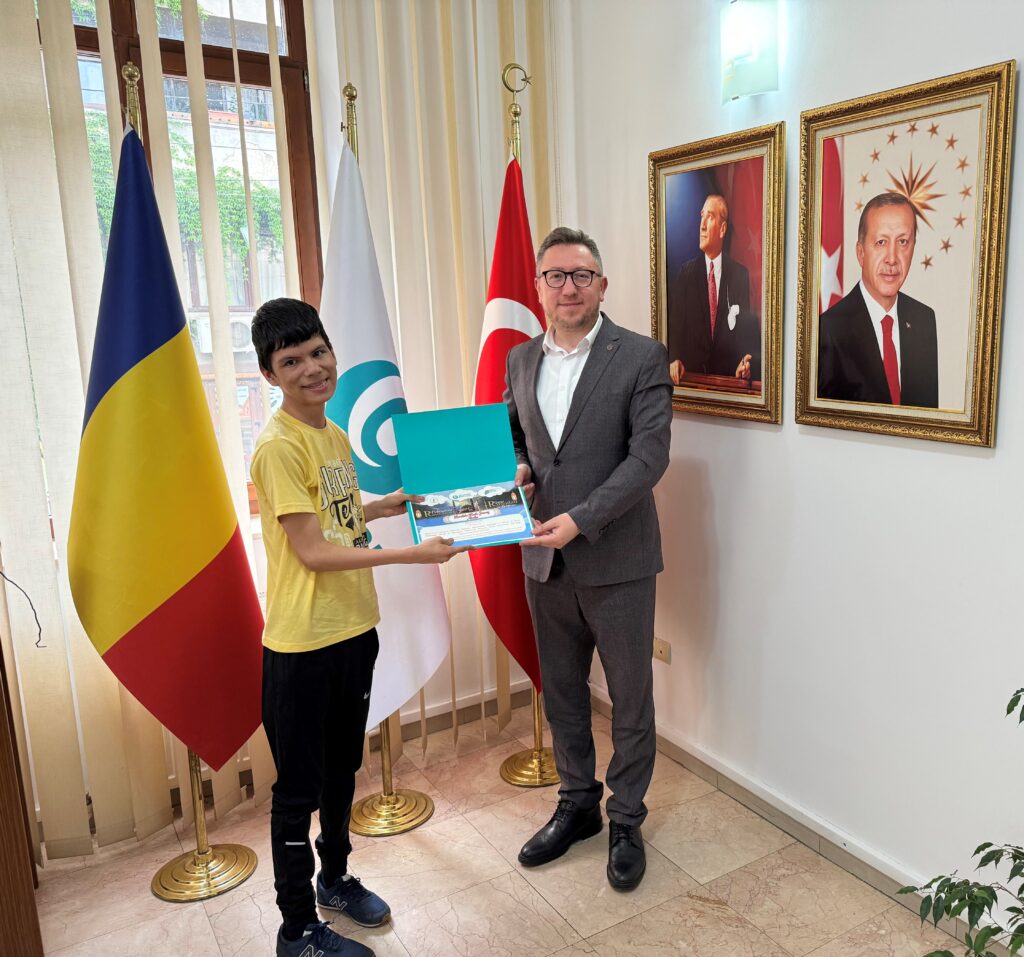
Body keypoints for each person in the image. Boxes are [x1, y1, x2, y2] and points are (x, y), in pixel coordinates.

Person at [250, 298, 465, 957]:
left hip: (352, 631)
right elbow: (313, 551)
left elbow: (334, 516)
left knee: (343, 768)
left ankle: (335, 879)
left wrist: (387, 505)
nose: (312, 368)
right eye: (292, 361)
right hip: (302, 645)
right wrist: (410, 553)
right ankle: (296, 930)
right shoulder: (278, 447)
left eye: (318, 352)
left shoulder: (334, 433)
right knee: (297, 792)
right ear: (270, 374)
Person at [504, 227, 672, 891]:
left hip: (617, 558)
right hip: (543, 563)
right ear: (538, 287)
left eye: (581, 275)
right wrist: (519, 470)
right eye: (556, 275)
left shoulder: (641, 356)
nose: (568, 287)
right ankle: (577, 803)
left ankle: (626, 817)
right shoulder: (520, 359)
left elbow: (648, 458)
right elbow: (517, 436)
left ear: (602, 285)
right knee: (564, 693)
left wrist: (580, 519)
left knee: (630, 698)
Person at [817, 193, 938, 407]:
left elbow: (927, 417)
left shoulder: (923, 319)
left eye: (903, 242)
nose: (892, 258)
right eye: (881, 242)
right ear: (861, 253)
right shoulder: (828, 329)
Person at [667, 193, 759, 384]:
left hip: (727, 385)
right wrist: (673, 359)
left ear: (722, 229)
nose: (702, 225)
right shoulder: (686, 274)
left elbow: (745, 334)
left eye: (709, 217)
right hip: (693, 383)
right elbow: (675, 329)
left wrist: (744, 364)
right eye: (702, 216)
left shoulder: (739, 275)